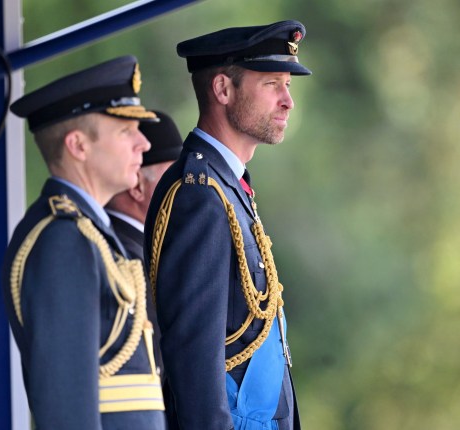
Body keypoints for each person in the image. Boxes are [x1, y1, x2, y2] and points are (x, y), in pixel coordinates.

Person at [144, 20, 312, 430]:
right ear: (222, 89)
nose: (287, 101)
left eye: (287, 86)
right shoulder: (199, 195)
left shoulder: (227, 184)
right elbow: (193, 362)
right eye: (273, 84)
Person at [1, 56, 167, 429]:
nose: (143, 144)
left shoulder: (92, 234)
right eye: (126, 132)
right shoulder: (64, 238)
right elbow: (66, 406)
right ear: (78, 145)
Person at [106, 110, 184, 379]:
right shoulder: (128, 258)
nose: (187, 190)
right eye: (176, 177)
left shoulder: (138, 248)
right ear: (138, 184)